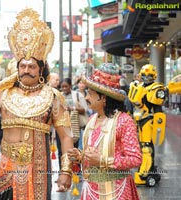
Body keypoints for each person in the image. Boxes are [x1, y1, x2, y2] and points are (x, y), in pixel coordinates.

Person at [0, 8, 74, 199]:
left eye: (32, 66)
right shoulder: (4, 94)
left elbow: (66, 137)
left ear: (40, 69)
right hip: (7, 169)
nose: (27, 70)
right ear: (17, 68)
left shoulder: (53, 97)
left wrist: (66, 170)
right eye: (22, 66)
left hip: (38, 172)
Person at [68, 63, 142, 199]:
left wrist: (103, 161)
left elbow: (135, 159)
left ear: (104, 98)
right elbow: (92, 154)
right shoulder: (92, 119)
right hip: (91, 189)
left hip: (117, 190)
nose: (86, 98)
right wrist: (79, 156)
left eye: (90, 94)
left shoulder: (124, 121)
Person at [128, 64, 166, 186]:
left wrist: (158, 124)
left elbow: (157, 108)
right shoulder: (137, 86)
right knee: (139, 147)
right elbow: (132, 103)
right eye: (144, 75)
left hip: (148, 119)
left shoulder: (156, 88)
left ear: (153, 75)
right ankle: (143, 168)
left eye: (149, 75)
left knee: (146, 146)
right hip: (138, 119)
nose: (146, 77)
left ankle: (146, 171)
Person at [61, 78, 88, 149]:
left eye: (66, 86)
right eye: (62, 87)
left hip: (75, 126)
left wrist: (73, 108)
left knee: (74, 148)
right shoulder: (59, 96)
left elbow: (84, 110)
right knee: (63, 148)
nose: (64, 88)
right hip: (63, 126)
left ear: (70, 86)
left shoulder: (78, 95)